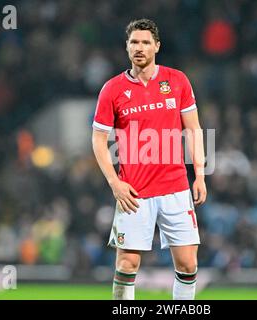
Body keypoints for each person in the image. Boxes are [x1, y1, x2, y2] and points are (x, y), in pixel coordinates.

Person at [92, 18, 207, 300]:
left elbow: (193, 129)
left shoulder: (177, 80)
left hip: (176, 187)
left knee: (188, 264)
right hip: (134, 192)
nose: (139, 48)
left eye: (145, 42)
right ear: (127, 47)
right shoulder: (112, 89)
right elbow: (98, 140)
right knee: (126, 264)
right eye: (134, 42)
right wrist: (114, 183)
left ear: (157, 46)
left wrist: (200, 174)